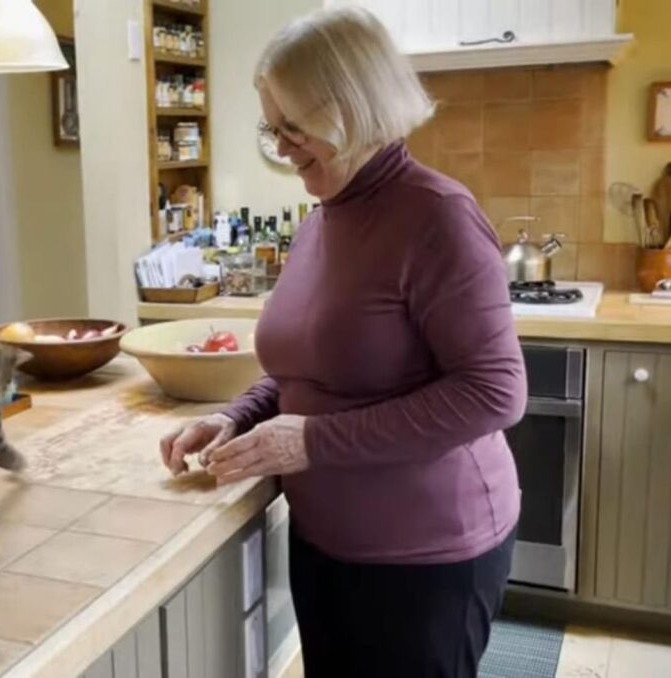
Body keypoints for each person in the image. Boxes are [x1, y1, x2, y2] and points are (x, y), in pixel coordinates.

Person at [159, 7, 527, 677]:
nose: (283, 148)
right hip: (327, 543)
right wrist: (233, 416)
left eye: (295, 128)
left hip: (426, 557)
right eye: (274, 130)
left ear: (355, 108)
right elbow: (309, 369)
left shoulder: (436, 216)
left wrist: (311, 442)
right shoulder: (321, 221)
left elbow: (495, 393)